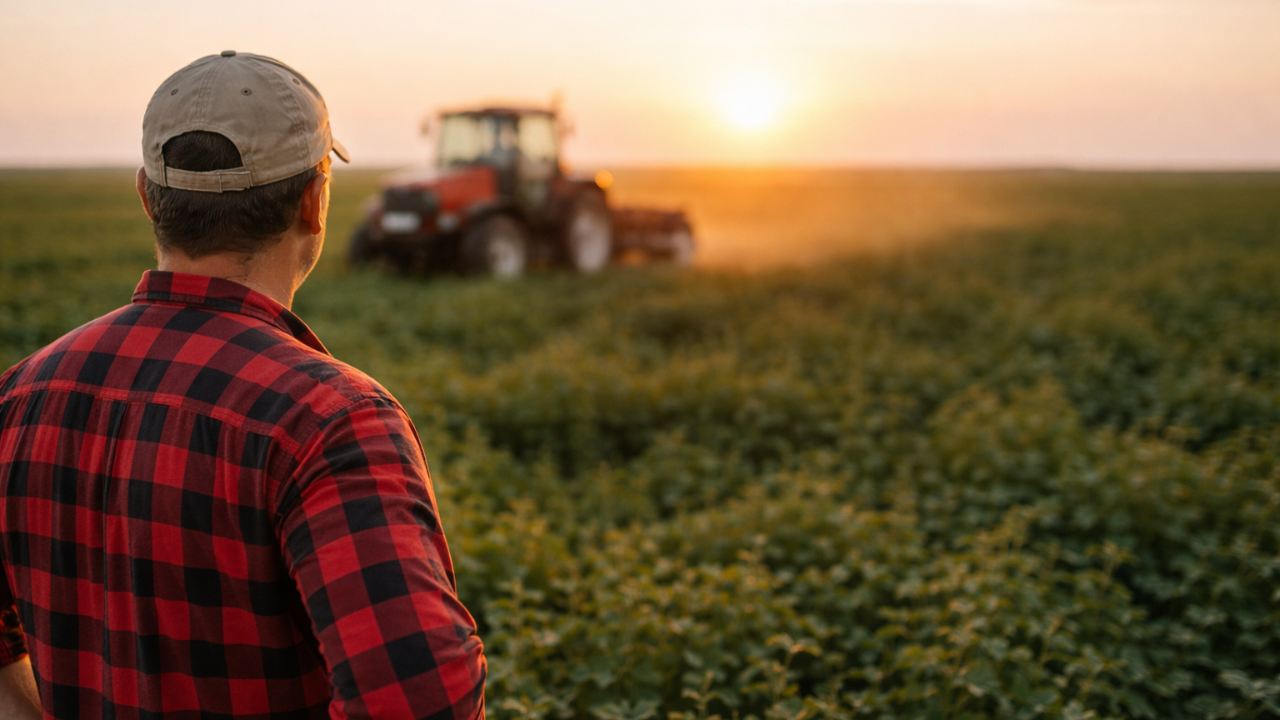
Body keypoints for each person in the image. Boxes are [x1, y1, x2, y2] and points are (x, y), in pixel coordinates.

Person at [0, 52, 486, 719]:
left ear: (148, 197)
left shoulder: (20, 398)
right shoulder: (328, 422)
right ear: (315, 203)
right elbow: (422, 704)